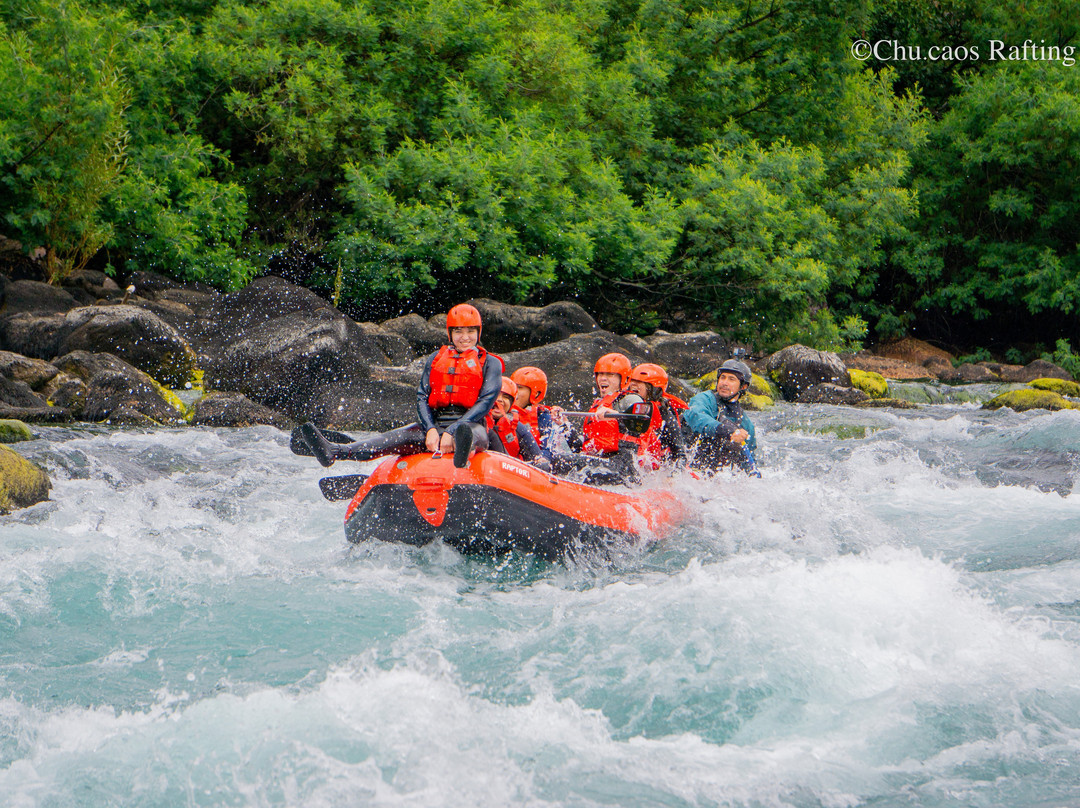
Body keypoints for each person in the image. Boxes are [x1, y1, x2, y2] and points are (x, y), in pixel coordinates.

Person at [295, 303, 503, 469]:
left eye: (470, 331)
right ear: (450, 334)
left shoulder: (490, 363)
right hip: (434, 426)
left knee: (467, 434)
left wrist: (454, 429)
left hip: (471, 426)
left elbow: (486, 401)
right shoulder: (436, 359)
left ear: (478, 332)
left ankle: (461, 456)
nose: (464, 337)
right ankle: (335, 451)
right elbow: (422, 396)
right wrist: (430, 429)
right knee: (393, 437)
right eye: (458, 331)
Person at [684, 358, 759, 475]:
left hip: (714, 475)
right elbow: (697, 416)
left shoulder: (746, 424)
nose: (724, 382)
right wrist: (726, 431)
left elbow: (750, 459)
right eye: (722, 377)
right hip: (688, 463)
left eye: (731, 379)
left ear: (743, 386)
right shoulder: (704, 399)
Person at [488, 376, 551, 470]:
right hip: (484, 471)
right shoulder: (476, 421)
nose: (500, 400)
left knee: (543, 466)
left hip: (511, 474)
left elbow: (537, 457)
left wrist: (542, 462)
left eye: (506, 397)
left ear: (512, 403)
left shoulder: (516, 426)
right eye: (496, 395)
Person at [509, 366, 567, 456]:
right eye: (512, 386)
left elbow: (550, 450)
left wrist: (564, 425)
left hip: (533, 464)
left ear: (536, 394)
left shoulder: (544, 417)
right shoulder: (501, 412)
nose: (514, 391)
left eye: (519, 387)